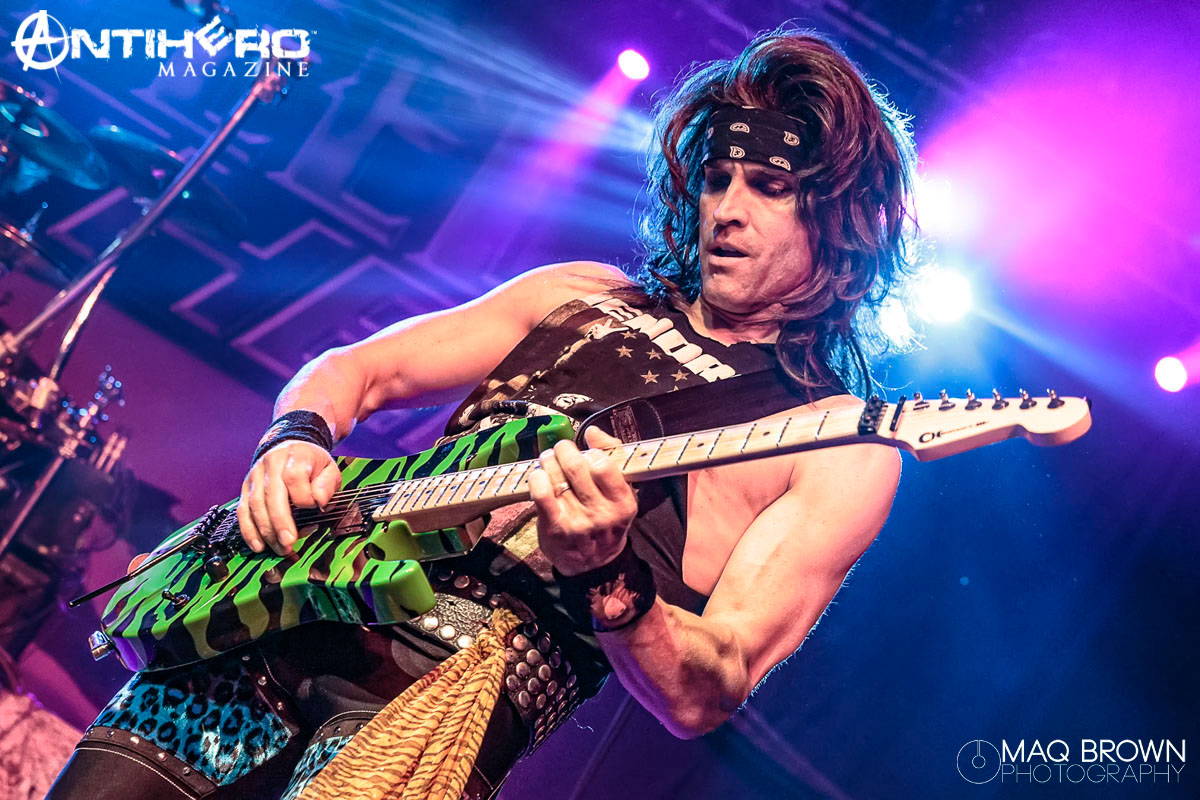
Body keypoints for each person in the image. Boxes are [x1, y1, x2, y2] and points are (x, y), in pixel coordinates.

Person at [48, 26, 917, 800]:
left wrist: (610, 576)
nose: (726, 210)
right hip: (270, 612)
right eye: (718, 179)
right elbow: (357, 369)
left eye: (769, 185)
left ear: (846, 218)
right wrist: (294, 440)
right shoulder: (581, 294)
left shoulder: (838, 442)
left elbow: (710, 685)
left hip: (439, 698)